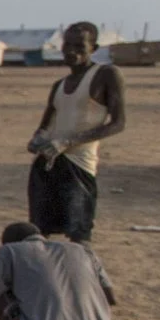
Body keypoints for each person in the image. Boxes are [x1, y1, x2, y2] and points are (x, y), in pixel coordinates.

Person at [25, 21, 127, 242]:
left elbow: (118, 123)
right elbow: (45, 125)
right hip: (48, 163)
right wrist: (37, 139)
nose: (72, 51)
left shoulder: (106, 75)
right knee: (39, 233)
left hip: (79, 165)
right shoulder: (59, 85)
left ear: (94, 48)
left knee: (78, 234)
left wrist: (67, 142)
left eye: (80, 46)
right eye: (67, 45)